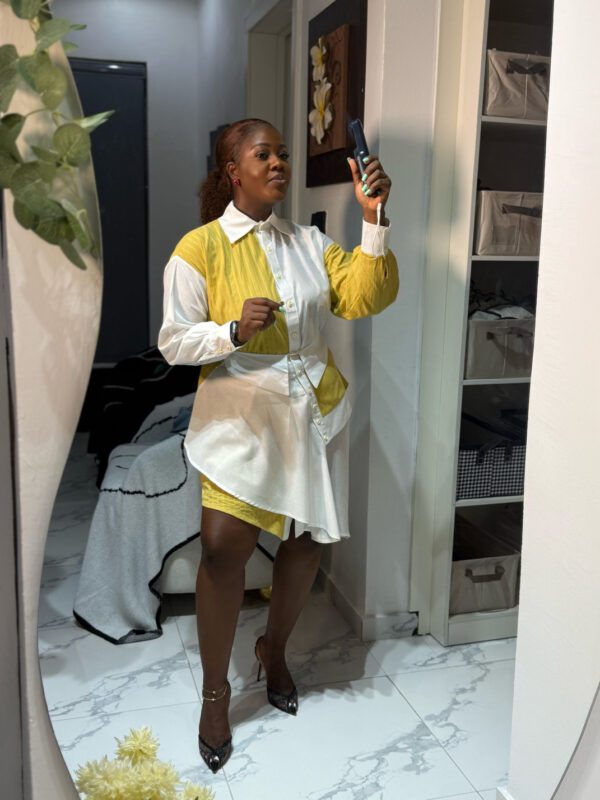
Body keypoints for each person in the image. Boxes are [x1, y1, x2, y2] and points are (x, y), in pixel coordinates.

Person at [157, 117, 399, 773]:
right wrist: (231, 331)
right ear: (232, 170)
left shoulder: (310, 243)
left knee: (306, 541)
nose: (279, 163)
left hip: (311, 407)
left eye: (283, 153)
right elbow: (173, 341)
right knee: (221, 547)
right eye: (263, 154)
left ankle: (275, 650)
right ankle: (215, 694)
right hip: (240, 408)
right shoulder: (199, 248)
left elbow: (366, 295)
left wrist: (373, 218)